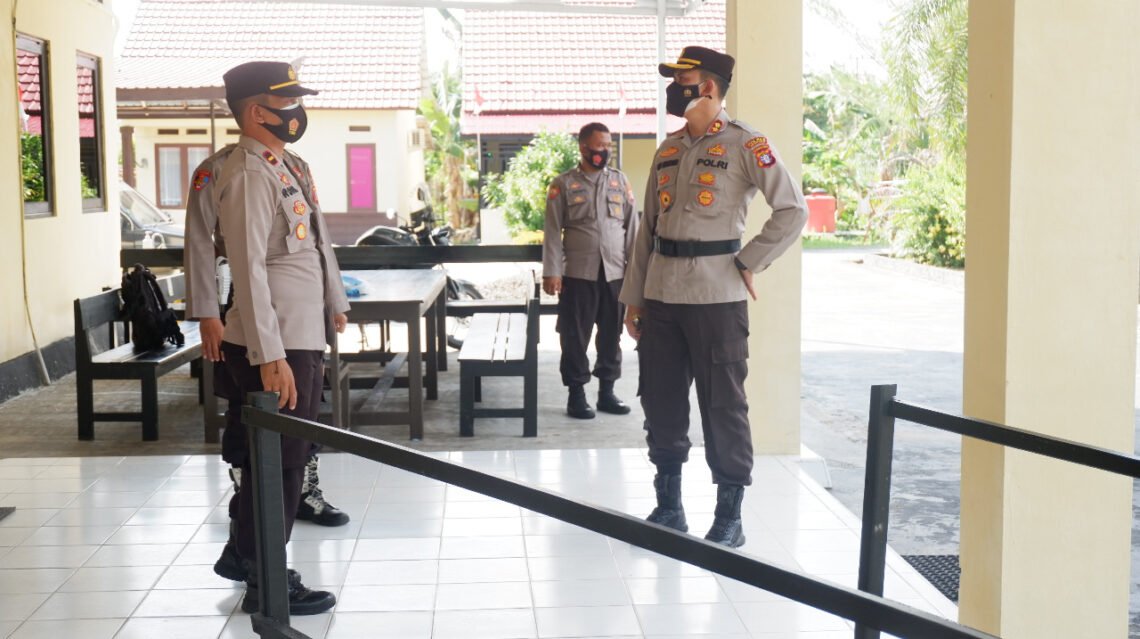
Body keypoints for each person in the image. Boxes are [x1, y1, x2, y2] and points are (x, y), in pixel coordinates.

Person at [619, 47, 808, 548]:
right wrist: (633, 298)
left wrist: (749, 261)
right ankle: (669, 504)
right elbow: (646, 232)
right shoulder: (668, 149)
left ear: (708, 87)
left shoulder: (748, 143)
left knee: (723, 405)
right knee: (659, 398)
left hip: (716, 296)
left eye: (683, 78)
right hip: (661, 296)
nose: (672, 87)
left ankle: (730, 516)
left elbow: (793, 210)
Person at [212, 60, 351, 615]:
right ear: (256, 111)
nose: (296, 113)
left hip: (299, 331)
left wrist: (333, 301)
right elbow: (248, 267)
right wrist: (270, 356)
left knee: (279, 455)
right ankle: (267, 577)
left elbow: (315, 243)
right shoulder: (248, 172)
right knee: (284, 461)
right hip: (278, 343)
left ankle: (245, 555)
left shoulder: (283, 164)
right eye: (286, 103)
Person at [543, 123, 639, 419]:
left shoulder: (620, 182)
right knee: (575, 336)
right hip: (578, 275)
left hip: (614, 275)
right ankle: (576, 395)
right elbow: (552, 231)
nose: (605, 151)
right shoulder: (563, 184)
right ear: (584, 148)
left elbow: (632, 230)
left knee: (611, 336)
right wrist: (552, 271)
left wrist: (635, 274)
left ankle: (606, 394)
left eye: (609, 145)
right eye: (600, 146)